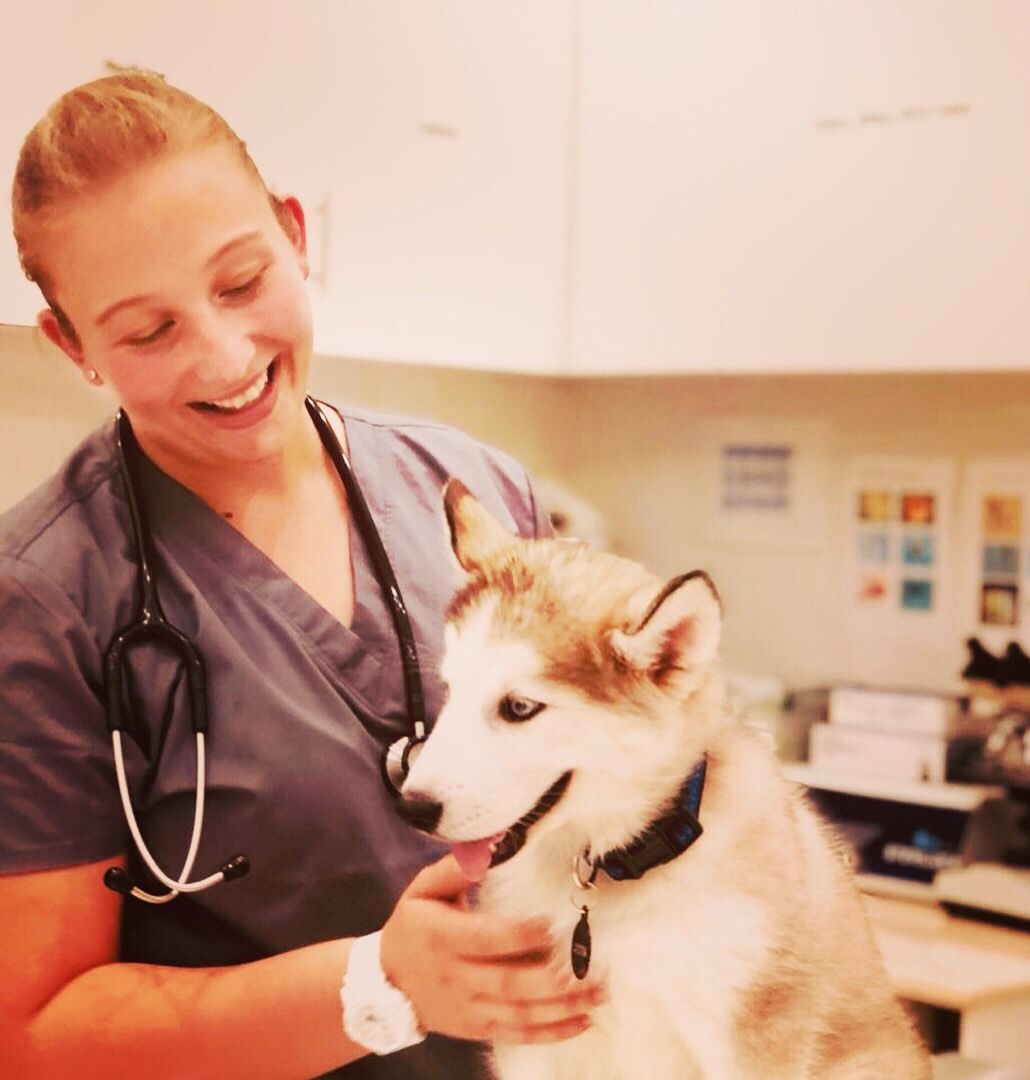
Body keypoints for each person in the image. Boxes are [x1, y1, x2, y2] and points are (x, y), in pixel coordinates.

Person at [0, 70, 602, 1079]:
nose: (224, 355)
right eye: (149, 331)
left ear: (294, 233)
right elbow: (32, 1036)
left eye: (241, 282)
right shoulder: (44, 602)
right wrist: (380, 984)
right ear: (73, 345)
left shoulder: (473, 492)